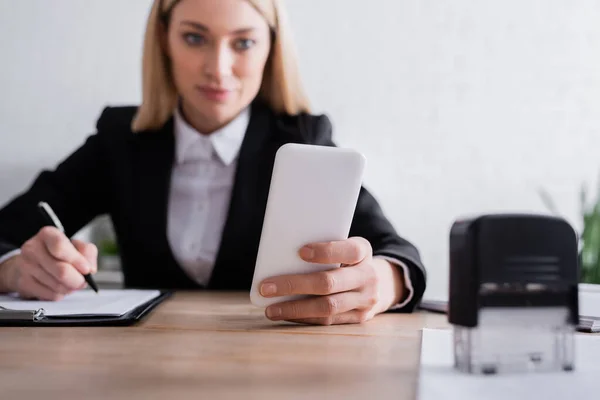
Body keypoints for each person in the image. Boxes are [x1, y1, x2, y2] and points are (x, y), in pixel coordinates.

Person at [0, 0, 426, 325]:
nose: (218, 69)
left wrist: (385, 281)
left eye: (243, 42)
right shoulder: (121, 140)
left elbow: (397, 252)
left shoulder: (302, 139)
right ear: (164, 40)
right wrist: (15, 269)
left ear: (270, 50)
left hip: (272, 367)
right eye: (194, 38)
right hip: (140, 368)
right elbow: (7, 233)